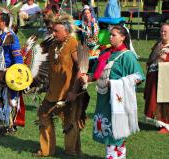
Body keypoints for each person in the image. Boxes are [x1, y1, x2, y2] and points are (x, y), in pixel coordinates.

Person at [81, 25, 145, 159]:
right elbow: (97, 73)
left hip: (118, 99)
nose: (110, 37)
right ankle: (118, 156)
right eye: (110, 34)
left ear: (123, 38)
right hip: (104, 98)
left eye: (114, 35)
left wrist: (117, 83)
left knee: (116, 131)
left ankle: (114, 156)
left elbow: (139, 76)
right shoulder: (105, 53)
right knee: (109, 130)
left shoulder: (127, 56)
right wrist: (88, 77)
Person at [33, 13, 88, 157]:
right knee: (43, 115)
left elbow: (81, 69)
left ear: (67, 31)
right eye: (53, 30)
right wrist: (44, 85)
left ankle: (71, 151)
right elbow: (51, 68)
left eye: (56, 31)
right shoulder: (53, 45)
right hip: (53, 91)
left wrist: (73, 91)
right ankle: (46, 150)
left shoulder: (73, 44)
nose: (53, 33)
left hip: (68, 91)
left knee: (70, 122)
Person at [144, 23, 169, 134]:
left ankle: (166, 125)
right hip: (154, 76)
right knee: (155, 101)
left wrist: (167, 58)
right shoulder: (158, 44)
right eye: (161, 31)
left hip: (166, 79)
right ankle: (159, 122)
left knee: (165, 102)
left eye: (165, 32)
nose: (162, 33)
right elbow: (151, 58)